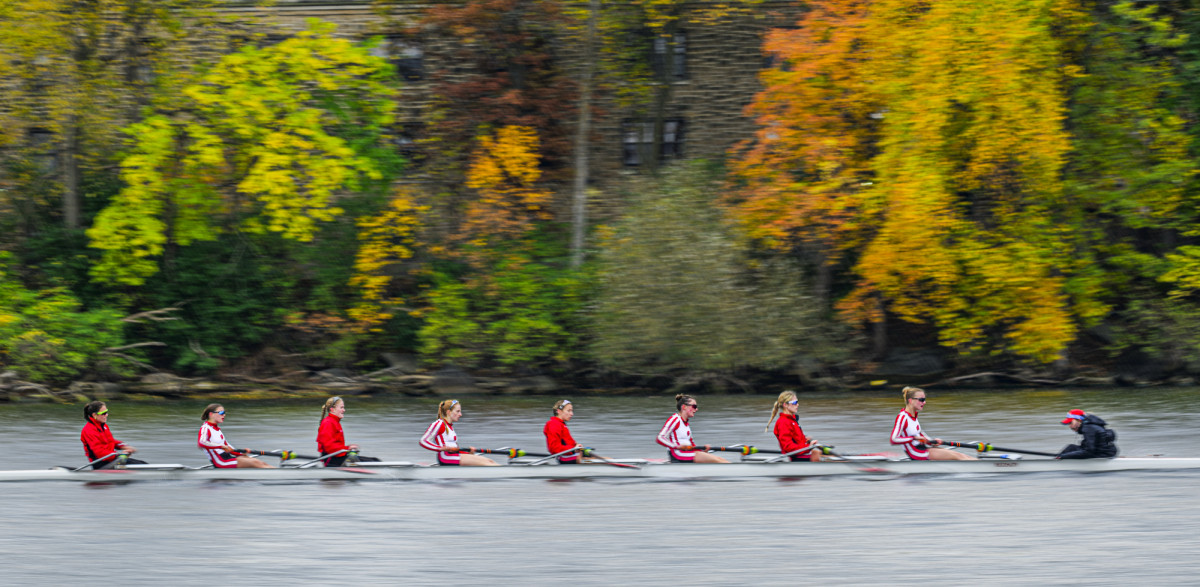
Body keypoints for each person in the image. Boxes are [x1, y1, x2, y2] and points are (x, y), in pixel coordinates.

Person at [890, 386, 975, 461]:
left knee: (959, 455)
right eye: (921, 400)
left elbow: (921, 435)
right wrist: (914, 438)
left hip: (923, 449)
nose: (924, 402)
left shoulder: (913, 417)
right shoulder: (902, 417)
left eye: (924, 400)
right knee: (956, 456)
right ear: (911, 401)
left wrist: (932, 441)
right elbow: (893, 440)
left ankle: (978, 463)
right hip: (917, 453)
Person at [419, 399, 498, 466]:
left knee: (490, 461)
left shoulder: (450, 427)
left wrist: (468, 452)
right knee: (487, 463)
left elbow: (455, 449)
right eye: (458, 411)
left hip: (453, 456)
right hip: (446, 457)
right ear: (449, 412)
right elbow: (423, 441)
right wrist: (439, 448)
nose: (460, 414)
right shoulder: (439, 423)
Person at [656, 394, 729, 464]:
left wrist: (703, 449)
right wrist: (677, 446)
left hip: (687, 453)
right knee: (719, 461)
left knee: (721, 459)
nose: (696, 409)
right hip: (678, 454)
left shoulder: (686, 424)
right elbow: (660, 438)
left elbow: (692, 445)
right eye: (694, 406)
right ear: (684, 407)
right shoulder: (675, 419)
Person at [197, 404, 273, 468]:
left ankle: (277, 472)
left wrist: (241, 453)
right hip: (220, 461)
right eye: (221, 412)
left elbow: (229, 448)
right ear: (211, 414)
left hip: (227, 457)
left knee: (257, 461)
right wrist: (221, 446)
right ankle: (278, 474)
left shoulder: (217, 430)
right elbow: (201, 442)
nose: (224, 415)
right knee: (254, 462)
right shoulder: (205, 428)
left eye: (224, 412)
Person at [80, 401, 147, 469]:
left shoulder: (104, 426)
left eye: (106, 412)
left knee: (143, 464)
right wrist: (119, 456)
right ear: (94, 415)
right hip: (101, 464)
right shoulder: (89, 430)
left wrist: (125, 446)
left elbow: (111, 441)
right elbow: (99, 453)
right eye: (103, 413)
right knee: (141, 466)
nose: (107, 415)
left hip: (111, 460)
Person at [764, 390, 822, 462]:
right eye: (794, 403)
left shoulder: (792, 420)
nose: (797, 405)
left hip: (799, 454)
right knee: (816, 453)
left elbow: (795, 441)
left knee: (824, 453)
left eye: (797, 402)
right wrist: (809, 447)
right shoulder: (783, 422)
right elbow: (788, 447)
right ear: (785, 405)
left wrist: (806, 441)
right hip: (793, 458)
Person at [317, 396, 362, 467]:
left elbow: (336, 446)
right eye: (341, 407)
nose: (344, 410)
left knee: (374, 460)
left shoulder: (335, 422)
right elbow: (330, 447)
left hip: (337, 458)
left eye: (343, 407)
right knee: (373, 461)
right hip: (332, 461)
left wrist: (348, 448)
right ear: (332, 410)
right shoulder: (328, 423)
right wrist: (348, 448)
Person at [543, 399, 584, 464]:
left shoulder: (561, 424)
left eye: (572, 411)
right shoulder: (554, 424)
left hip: (568, 455)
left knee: (590, 455)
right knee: (592, 460)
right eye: (569, 411)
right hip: (563, 458)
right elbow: (554, 448)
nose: (572, 414)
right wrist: (573, 449)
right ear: (559, 411)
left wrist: (577, 446)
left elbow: (568, 442)